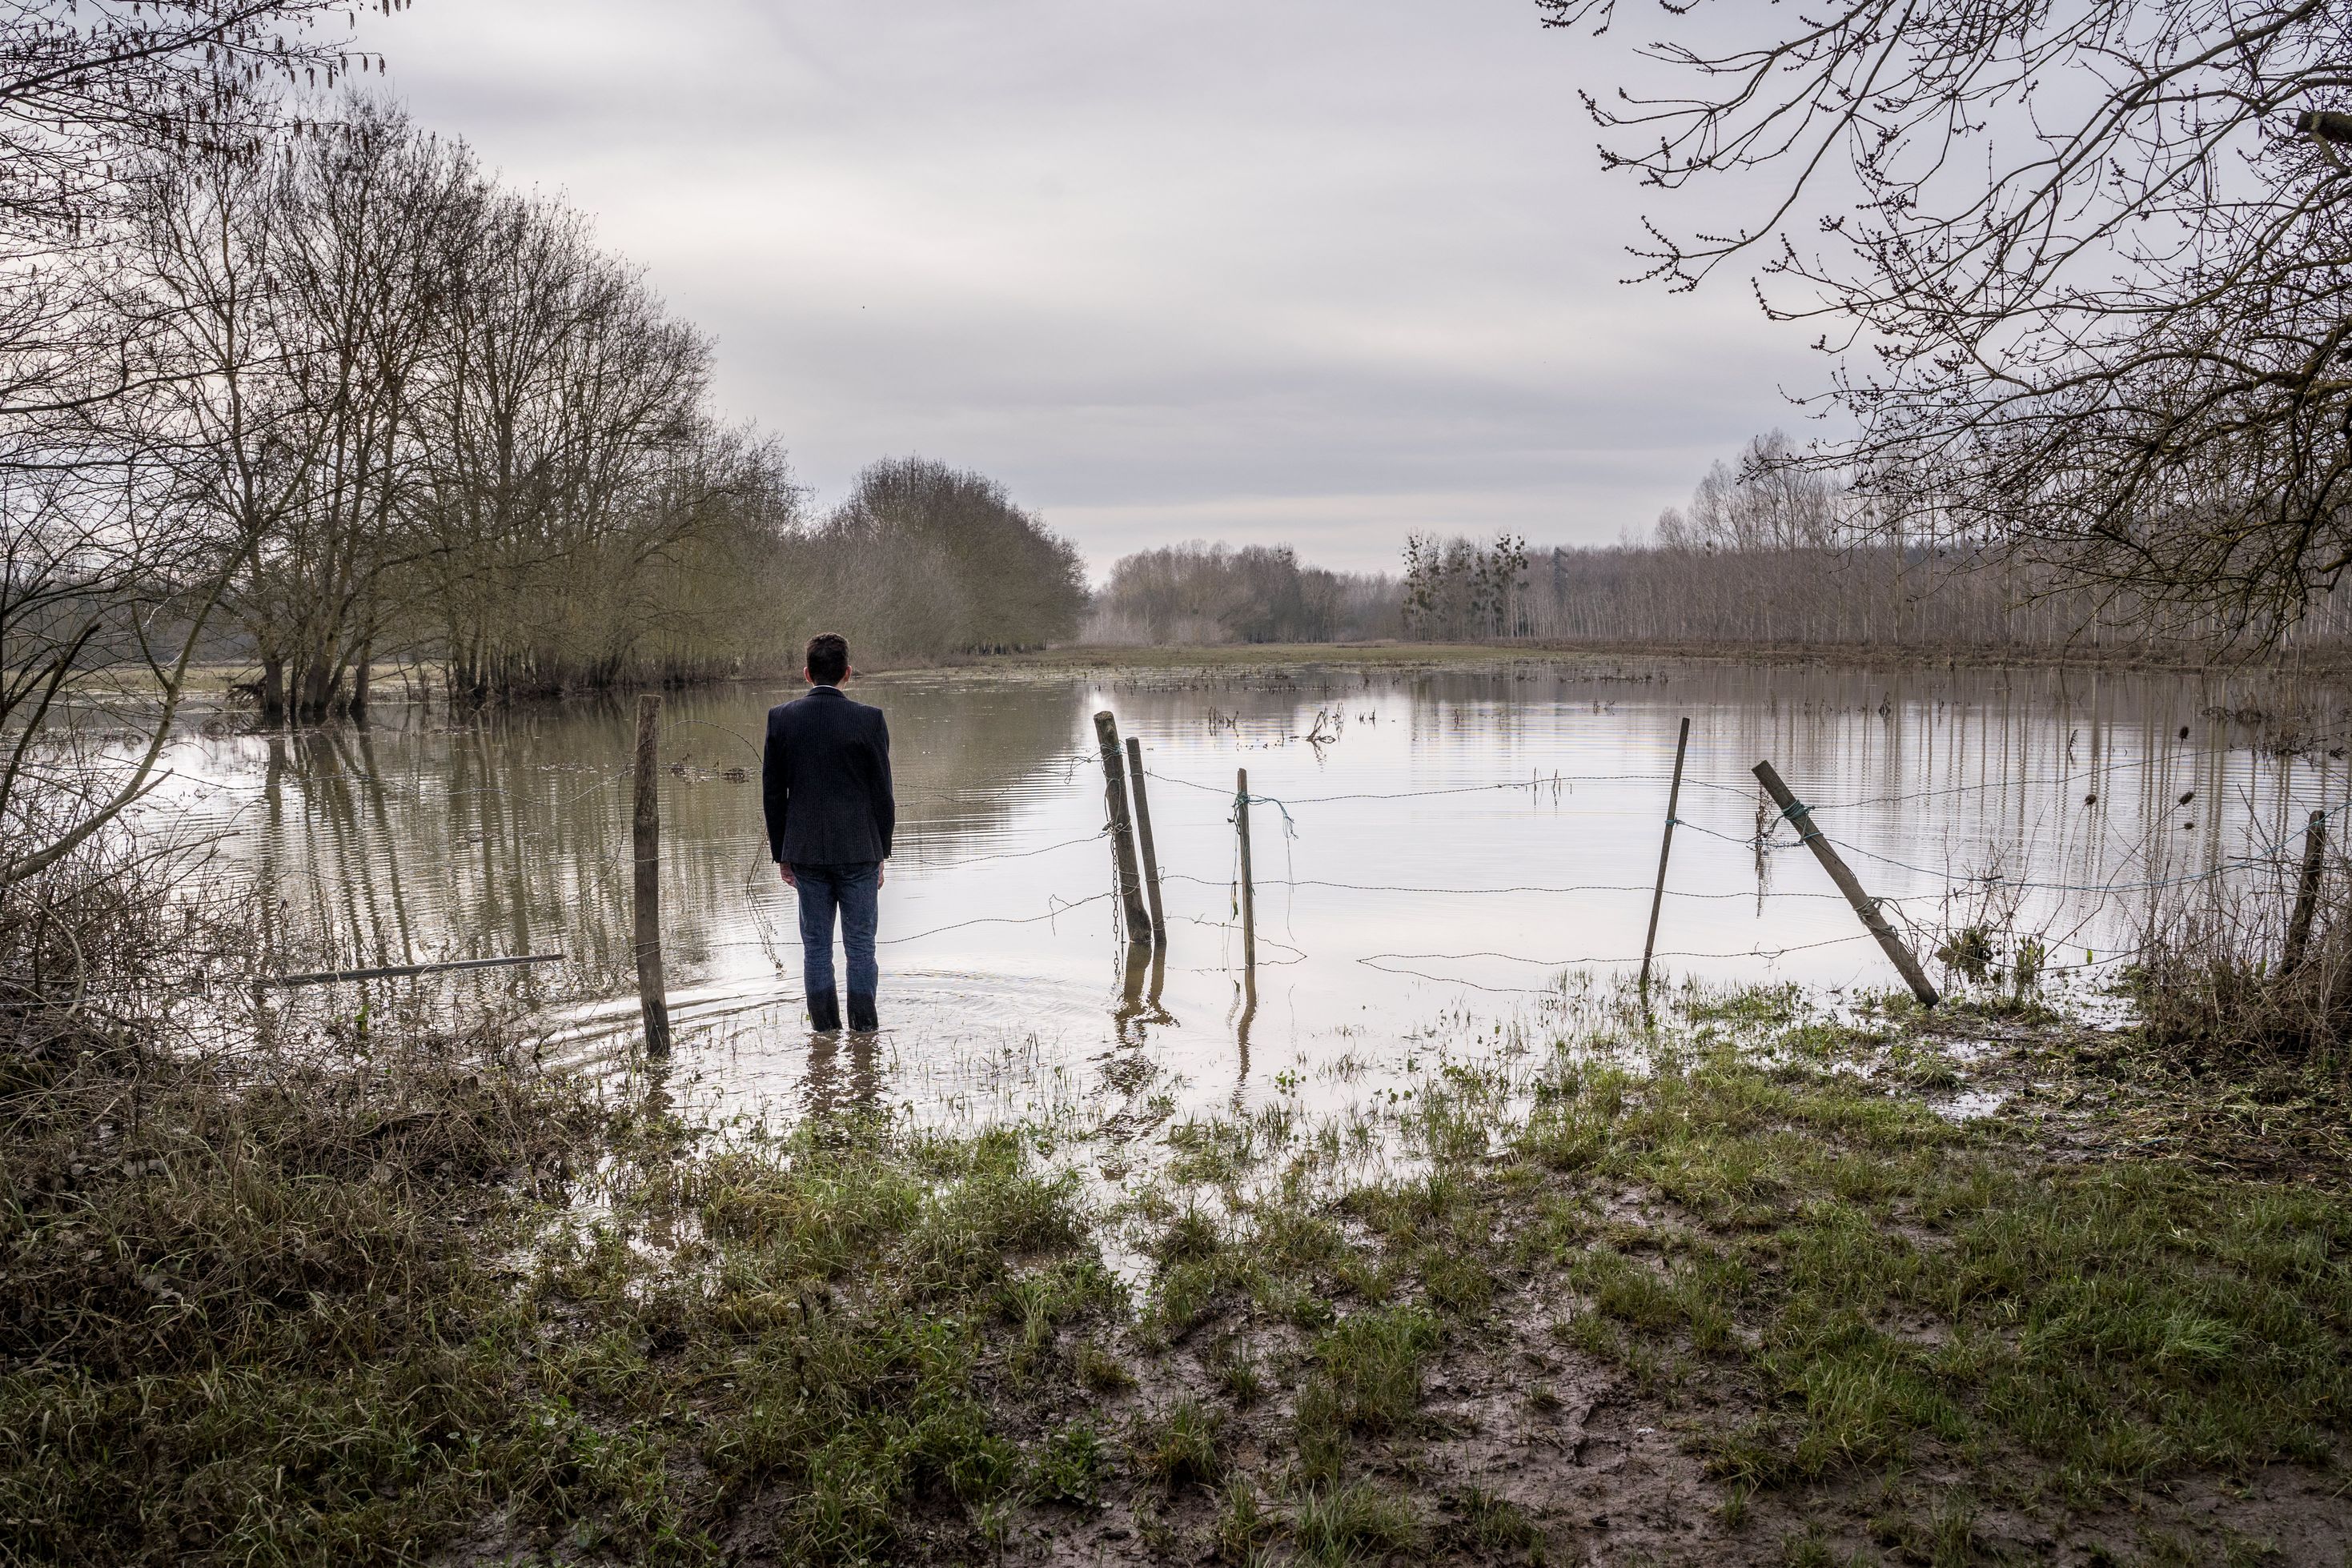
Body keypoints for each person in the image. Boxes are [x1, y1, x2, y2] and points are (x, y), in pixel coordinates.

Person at [762, 632, 894, 1033]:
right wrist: (881, 853)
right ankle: (865, 1033)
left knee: (816, 949)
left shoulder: (781, 718)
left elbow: (772, 793)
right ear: (848, 674)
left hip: (805, 851)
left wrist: (782, 852)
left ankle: (824, 1034)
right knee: (861, 948)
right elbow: (882, 794)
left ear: (806, 674)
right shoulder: (869, 719)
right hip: (859, 851)